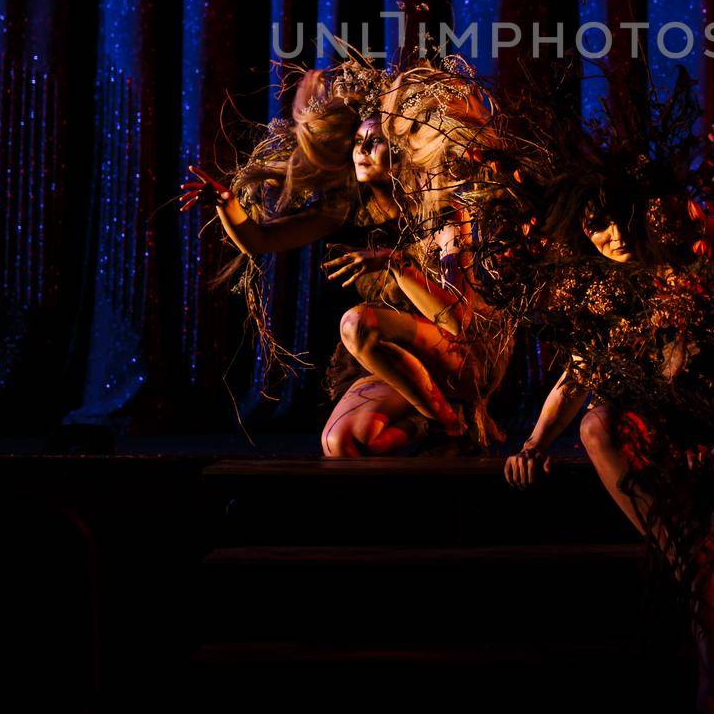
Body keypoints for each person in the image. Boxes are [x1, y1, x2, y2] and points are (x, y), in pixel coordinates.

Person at [502, 114, 714, 714]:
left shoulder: (698, 237)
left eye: (623, 218)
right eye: (598, 225)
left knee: (704, 538)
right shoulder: (595, 284)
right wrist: (535, 443)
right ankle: (686, 563)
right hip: (668, 419)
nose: (616, 236)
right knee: (599, 422)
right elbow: (579, 371)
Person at [180, 58, 511, 456]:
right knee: (340, 442)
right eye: (357, 141)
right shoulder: (351, 207)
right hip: (398, 365)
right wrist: (227, 204)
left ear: (402, 149)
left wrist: (397, 265)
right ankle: (436, 424)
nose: (361, 151)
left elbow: (458, 320)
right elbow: (257, 240)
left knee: (357, 323)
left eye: (374, 142)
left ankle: (453, 421)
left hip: (455, 357)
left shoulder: (443, 213)